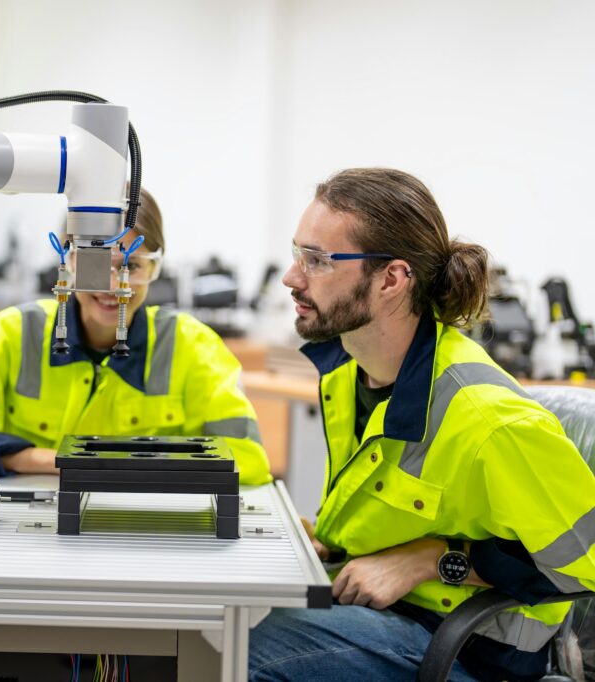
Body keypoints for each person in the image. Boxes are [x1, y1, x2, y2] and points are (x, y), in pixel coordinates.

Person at [248, 168, 595, 681]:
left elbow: (586, 559)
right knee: (218, 614)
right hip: (383, 612)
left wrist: (434, 560)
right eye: (299, 253)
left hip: (468, 651)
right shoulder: (348, 372)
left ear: (391, 279)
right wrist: (323, 537)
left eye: (318, 260)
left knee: (240, 650)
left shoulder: (490, 422)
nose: (292, 277)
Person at [0, 187, 272, 485]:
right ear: (67, 261)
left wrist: (109, 466)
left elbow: (248, 461)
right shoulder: (9, 335)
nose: (115, 286)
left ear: (155, 268)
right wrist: (43, 460)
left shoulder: (195, 347)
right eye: (97, 263)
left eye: (131, 266)